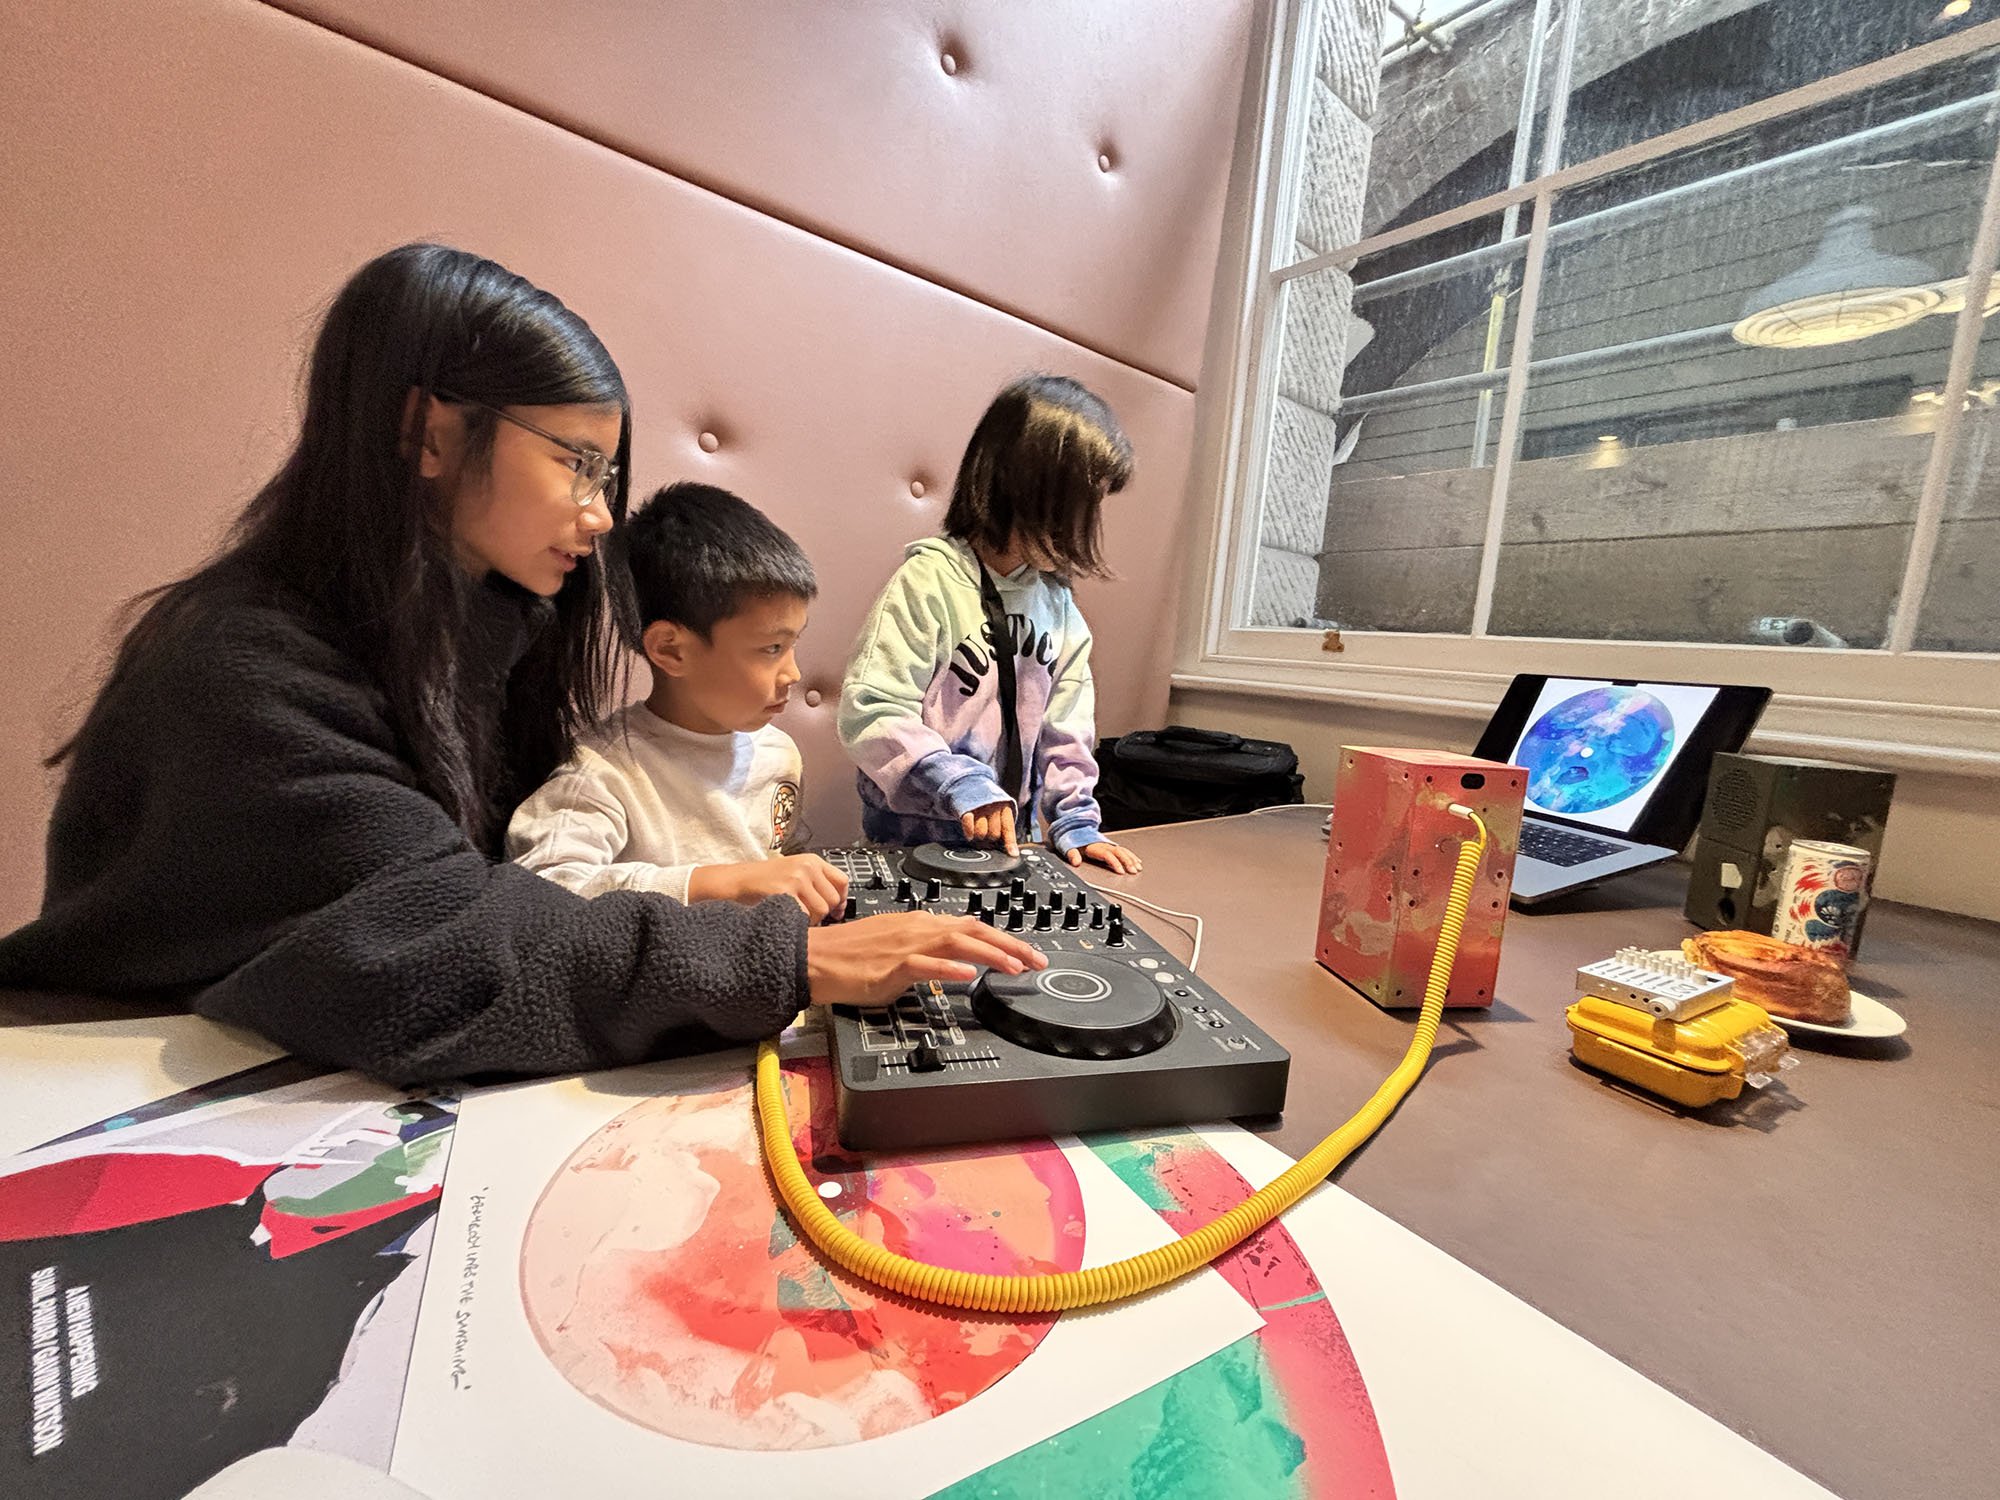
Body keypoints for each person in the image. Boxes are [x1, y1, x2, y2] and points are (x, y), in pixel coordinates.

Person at [0, 243, 1040, 1085]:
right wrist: (789, 961)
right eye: (579, 465)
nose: (600, 515)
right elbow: (440, 942)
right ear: (429, 434)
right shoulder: (239, 669)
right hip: (121, 1104)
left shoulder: (479, 636)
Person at [839, 375, 1143, 873]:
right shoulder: (929, 580)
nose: (1089, 524)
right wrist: (960, 784)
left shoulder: (1057, 605)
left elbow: (1066, 727)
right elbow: (871, 710)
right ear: (1032, 487)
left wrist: (1074, 821)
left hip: (1008, 848)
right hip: (907, 848)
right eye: (1086, 505)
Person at [507, 482, 847, 921]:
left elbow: (775, 860)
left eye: (793, 645)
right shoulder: (602, 775)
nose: (793, 674)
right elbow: (537, 891)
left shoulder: (777, 753)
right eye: (771, 649)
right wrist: (722, 883)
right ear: (671, 650)